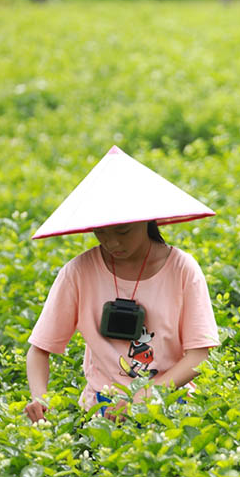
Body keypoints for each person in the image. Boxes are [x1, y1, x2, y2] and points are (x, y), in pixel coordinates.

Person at [24, 146, 220, 423]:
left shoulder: (182, 269)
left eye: (124, 230)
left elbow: (199, 354)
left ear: (147, 218)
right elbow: (39, 349)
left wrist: (145, 399)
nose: (112, 242)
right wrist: (39, 399)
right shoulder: (78, 273)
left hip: (170, 408)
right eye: (101, 232)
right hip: (101, 412)